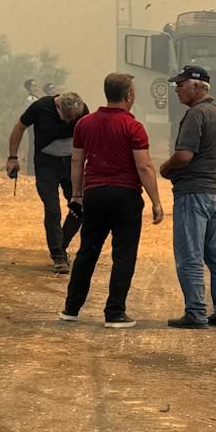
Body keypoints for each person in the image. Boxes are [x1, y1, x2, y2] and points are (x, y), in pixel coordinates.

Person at [60, 74, 164, 328]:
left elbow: (77, 161)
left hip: (94, 194)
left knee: (88, 250)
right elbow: (144, 167)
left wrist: (77, 194)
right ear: (128, 95)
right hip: (125, 196)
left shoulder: (85, 124)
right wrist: (156, 201)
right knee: (124, 253)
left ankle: (71, 308)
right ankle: (115, 312)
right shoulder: (133, 127)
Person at [158, 64, 216, 329]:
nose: (177, 90)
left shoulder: (196, 114)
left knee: (189, 255)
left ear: (196, 86)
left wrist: (165, 168)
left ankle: (195, 312)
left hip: (194, 194)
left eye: (181, 85)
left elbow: (184, 156)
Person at [7, 91, 88, 273]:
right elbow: (19, 128)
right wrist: (12, 157)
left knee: (80, 207)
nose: (71, 121)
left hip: (72, 164)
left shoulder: (81, 111)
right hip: (46, 165)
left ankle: (61, 245)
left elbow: (89, 135)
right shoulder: (41, 107)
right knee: (52, 209)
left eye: (74, 118)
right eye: (68, 117)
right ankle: (58, 255)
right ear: (58, 107)